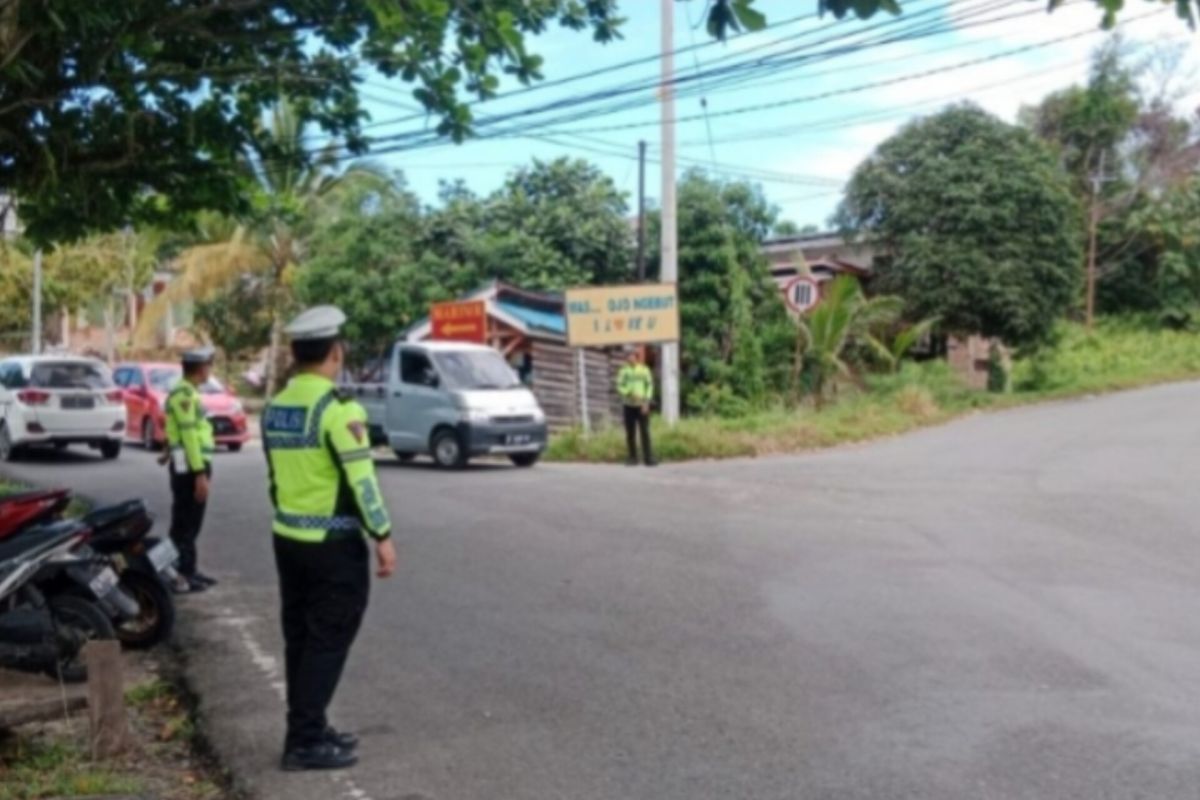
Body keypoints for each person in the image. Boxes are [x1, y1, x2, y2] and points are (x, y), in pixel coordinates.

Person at [263, 305, 397, 772]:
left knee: (300, 637)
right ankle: (303, 741)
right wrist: (382, 534)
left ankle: (310, 725)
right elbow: (363, 482)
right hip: (332, 545)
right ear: (335, 353)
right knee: (329, 637)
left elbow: (275, 480)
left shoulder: (276, 408)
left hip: (288, 537)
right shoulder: (338, 411)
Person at [162, 347, 217, 593]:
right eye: (208, 365)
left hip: (187, 463)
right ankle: (181, 573)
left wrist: (166, 453)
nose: (210, 370)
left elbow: (174, 430)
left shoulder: (188, 393)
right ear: (200, 368)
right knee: (186, 521)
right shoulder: (184, 395)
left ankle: (188, 569)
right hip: (191, 466)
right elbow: (189, 437)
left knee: (188, 521)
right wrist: (200, 475)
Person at [617, 346, 657, 467]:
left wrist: (647, 401)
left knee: (645, 432)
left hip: (642, 405)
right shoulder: (623, 371)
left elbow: (649, 386)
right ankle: (632, 458)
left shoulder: (644, 370)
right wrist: (627, 392)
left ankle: (648, 458)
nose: (631, 357)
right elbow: (619, 386)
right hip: (628, 405)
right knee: (630, 433)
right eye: (628, 356)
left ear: (637, 357)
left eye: (633, 355)